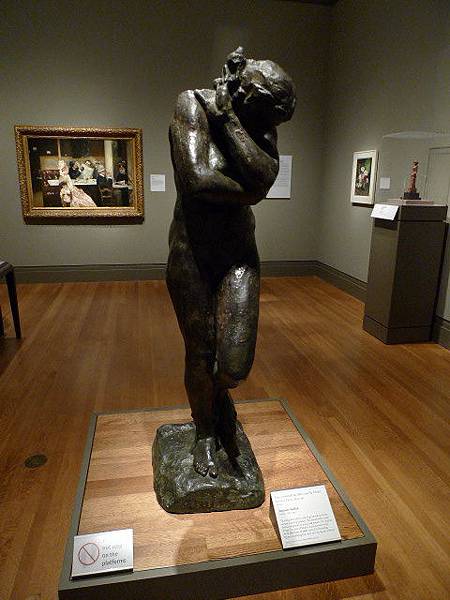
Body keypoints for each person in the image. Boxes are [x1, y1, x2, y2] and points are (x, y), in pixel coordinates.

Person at [167, 47, 296, 478]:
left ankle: (219, 397)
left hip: (238, 254)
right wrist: (248, 192)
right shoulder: (192, 104)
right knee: (200, 353)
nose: (269, 128)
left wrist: (228, 121)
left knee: (235, 365)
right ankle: (205, 431)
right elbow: (195, 179)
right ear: (244, 90)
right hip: (192, 254)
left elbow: (264, 177)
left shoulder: (249, 120)